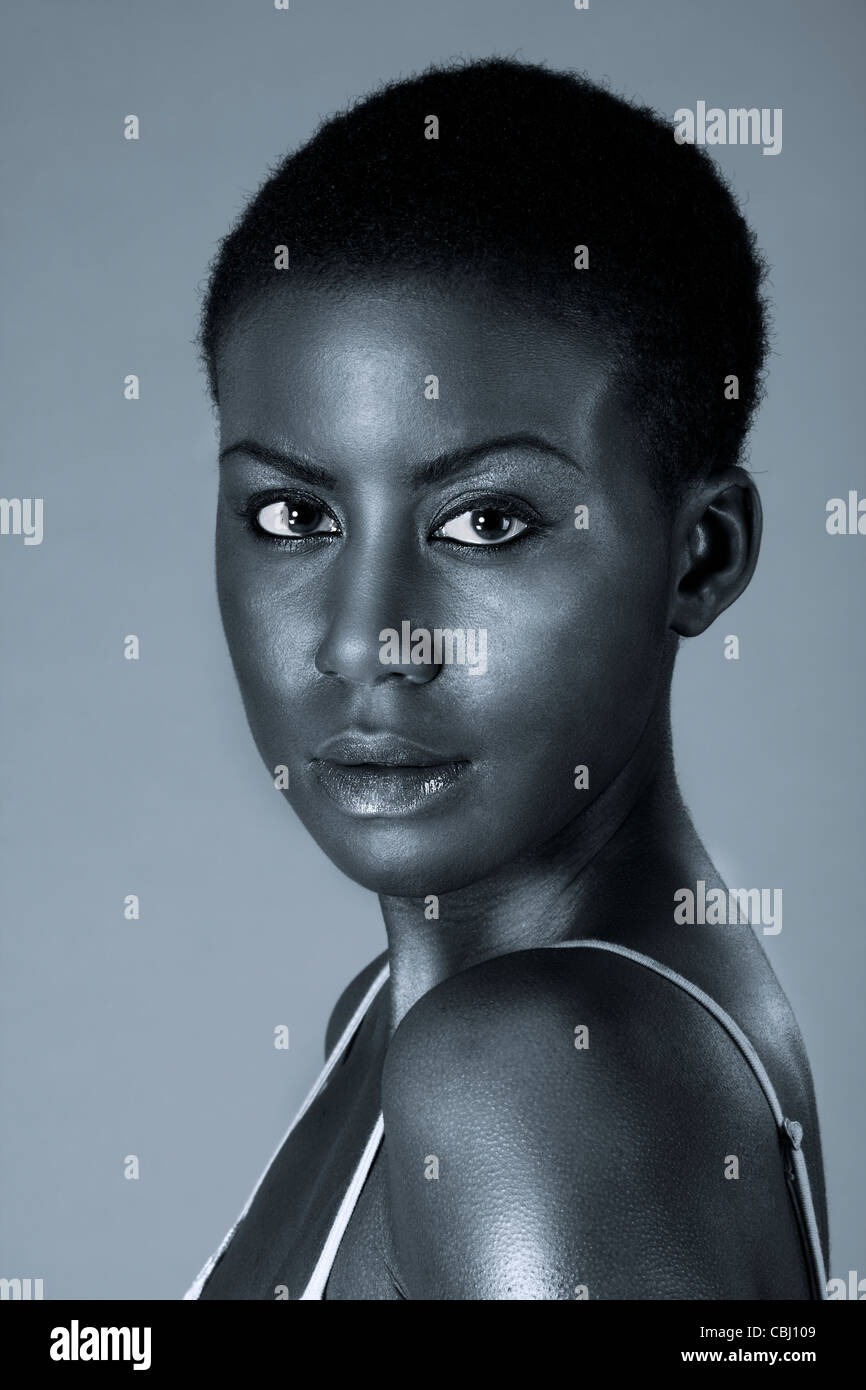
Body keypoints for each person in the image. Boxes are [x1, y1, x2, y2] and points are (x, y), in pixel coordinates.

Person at [185, 56, 828, 1300]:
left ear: (700, 557)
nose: (366, 641)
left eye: (484, 522)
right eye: (289, 514)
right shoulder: (403, 1018)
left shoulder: (534, 1072)